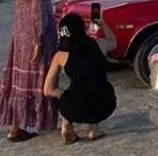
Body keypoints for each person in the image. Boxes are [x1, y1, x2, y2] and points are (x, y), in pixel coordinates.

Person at [0, 0, 59, 140]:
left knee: (19, 79)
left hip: (20, 31)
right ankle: (32, 123)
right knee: (39, 76)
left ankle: (16, 125)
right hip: (36, 33)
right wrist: (39, 40)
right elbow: (38, 12)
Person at [43, 13, 117, 143]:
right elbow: (113, 42)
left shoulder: (60, 56)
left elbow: (48, 90)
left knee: (62, 96)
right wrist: (103, 24)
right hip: (104, 105)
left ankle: (66, 125)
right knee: (99, 88)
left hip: (74, 108)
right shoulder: (99, 45)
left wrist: (65, 94)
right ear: (82, 28)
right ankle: (93, 129)